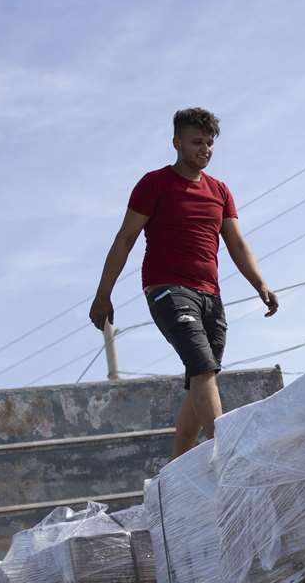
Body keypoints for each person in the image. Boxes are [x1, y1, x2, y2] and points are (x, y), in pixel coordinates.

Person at [89, 107, 279, 457]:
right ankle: (226, 454)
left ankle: (176, 470)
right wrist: (103, 294)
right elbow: (125, 238)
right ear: (177, 143)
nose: (204, 149)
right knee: (203, 368)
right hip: (167, 290)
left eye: (209, 143)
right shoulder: (154, 184)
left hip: (211, 295)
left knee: (200, 378)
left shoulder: (220, 191)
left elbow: (236, 243)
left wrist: (260, 285)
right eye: (196, 142)